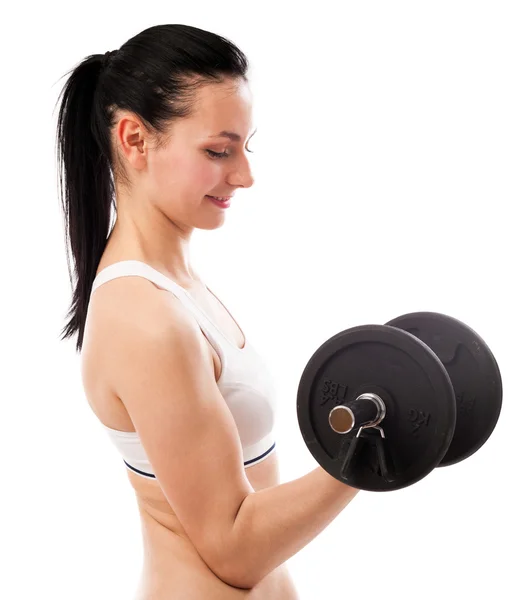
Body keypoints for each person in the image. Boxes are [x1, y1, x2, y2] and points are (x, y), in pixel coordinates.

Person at [55, 23, 360, 599]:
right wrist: (365, 454)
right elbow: (234, 547)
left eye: (245, 147)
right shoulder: (144, 319)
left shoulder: (177, 289)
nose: (244, 175)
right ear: (135, 141)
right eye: (219, 151)